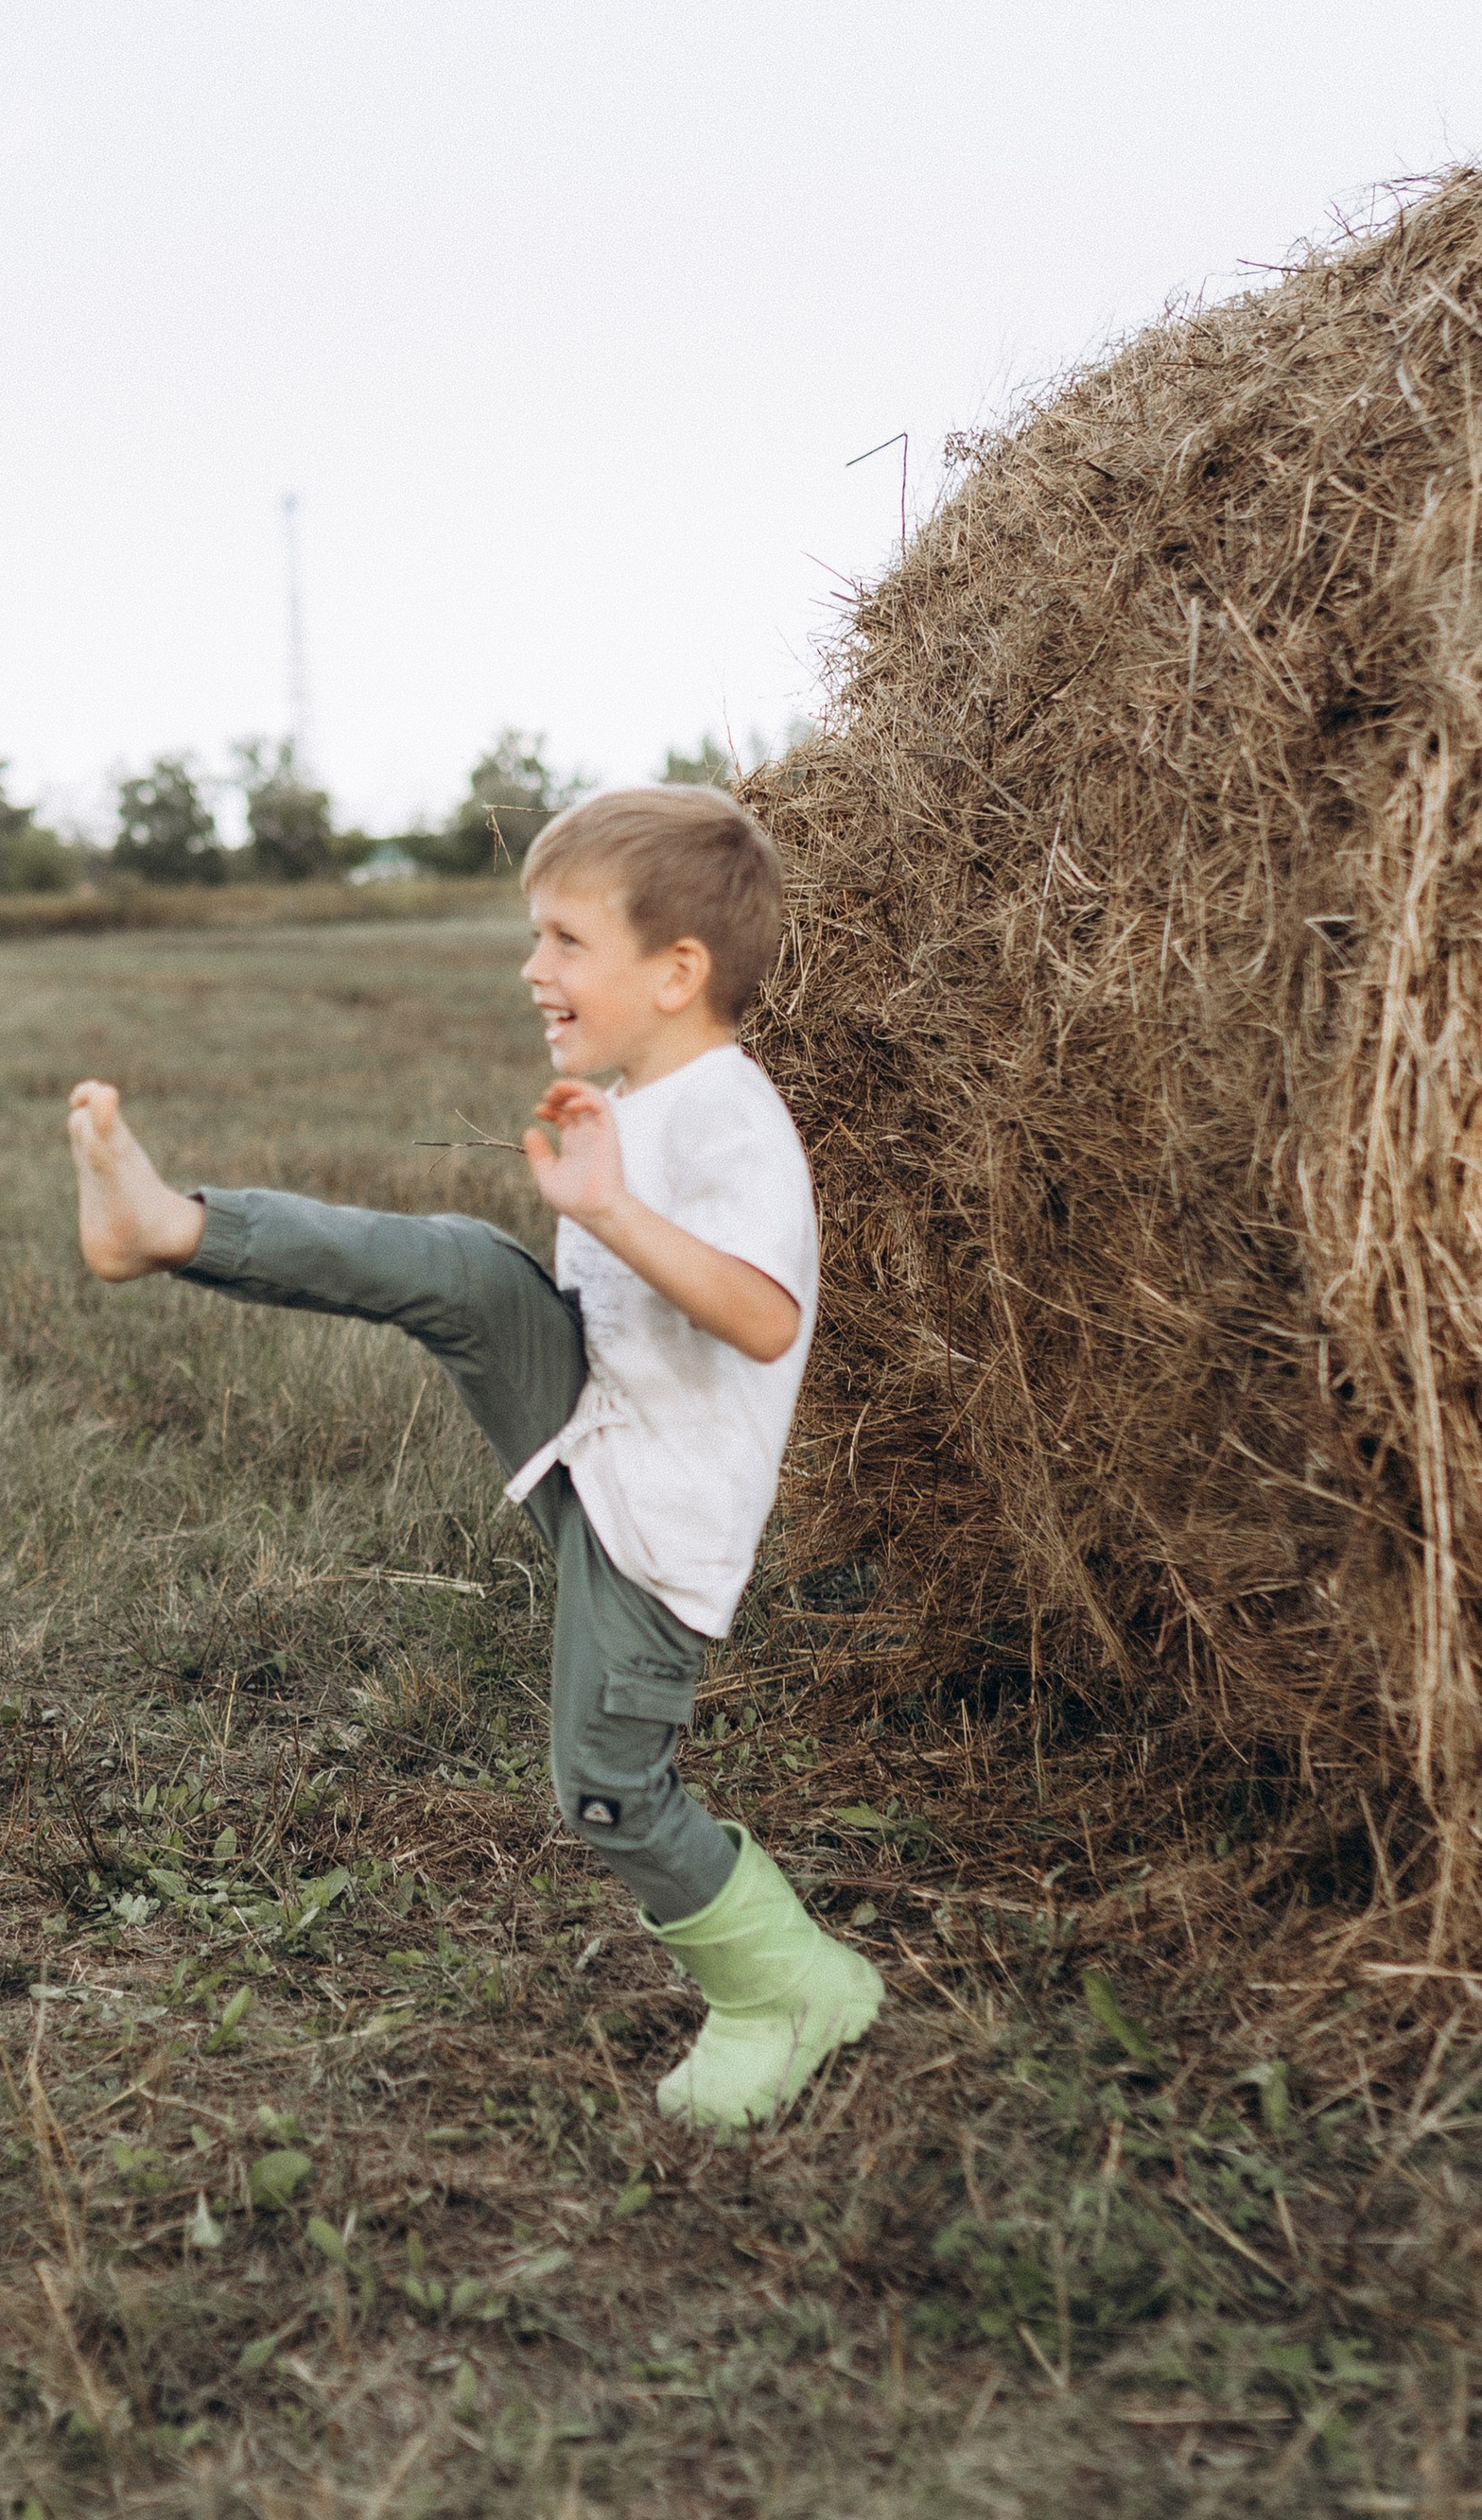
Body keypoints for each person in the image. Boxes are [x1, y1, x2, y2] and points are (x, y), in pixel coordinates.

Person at [65, 782, 881, 2129]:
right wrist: (598, 1200)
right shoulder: (648, 1094)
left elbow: (764, 1316)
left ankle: (791, 1986)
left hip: (657, 1514)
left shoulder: (733, 1116)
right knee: (457, 1268)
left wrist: (607, 1207)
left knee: (609, 1792)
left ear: (678, 972)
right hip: (591, 1418)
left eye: (565, 940)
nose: (532, 966)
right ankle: (170, 1229)